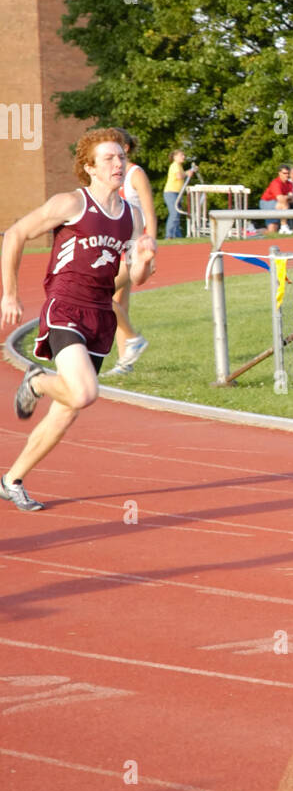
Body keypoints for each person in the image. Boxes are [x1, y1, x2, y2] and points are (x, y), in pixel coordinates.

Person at [0, 128, 156, 512]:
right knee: (85, 393)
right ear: (89, 168)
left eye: (121, 156)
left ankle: (11, 480)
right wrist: (9, 292)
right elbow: (15, 233)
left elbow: (132, 277)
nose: (118, 164)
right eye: (109, 158)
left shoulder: (131, 217)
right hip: (65, 308)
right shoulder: (71, 203)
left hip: (101, 316)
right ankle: (37, 380)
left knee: (68, 409)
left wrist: (145, 264)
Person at [105, 128, 158, 377]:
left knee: (101, 295)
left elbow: (150, 212)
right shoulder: (111, 176)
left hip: (133, 247)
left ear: (125, 149)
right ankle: (125, 362)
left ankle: (133, 341)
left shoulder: (135, 174)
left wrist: (151, 248)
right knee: (118, 304)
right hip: (115, 246)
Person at [164, 150, 195, 239]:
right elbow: (179, 176)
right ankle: (169, 235)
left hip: (177, 193)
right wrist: (187, 173)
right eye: (181, 155)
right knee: (174, 213)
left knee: (177, 214)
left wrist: (188, 172)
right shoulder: (175, 166)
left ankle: (177, 236)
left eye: (184, 155)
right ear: (175, 157)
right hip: (171, 192)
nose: (183, 157)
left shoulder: (179, 166)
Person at [260, 166, 293, 235]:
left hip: (277, 204)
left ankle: (283, 227)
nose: (287, 175)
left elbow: (292, 199)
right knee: (284, 203)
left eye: (288, 173)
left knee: (273, 230)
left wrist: (287, 198)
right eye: (284, 173)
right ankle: (284, 226)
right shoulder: (276, 183)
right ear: (279, 173)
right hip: (267, 202)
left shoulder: (289, 184)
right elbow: (281, 198)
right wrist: (288, 197)